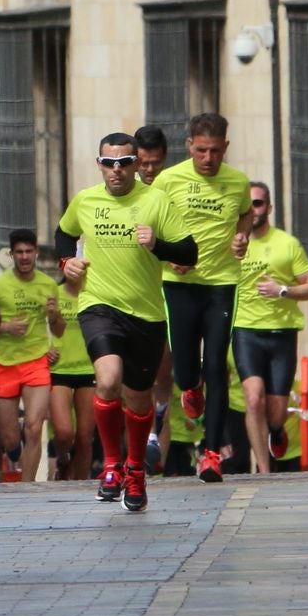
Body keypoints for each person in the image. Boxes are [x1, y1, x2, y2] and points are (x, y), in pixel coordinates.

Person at [56, 132, 196, 512]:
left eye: (124, 162)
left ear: (137, 164)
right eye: (108, 163)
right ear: (98, 164)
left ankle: (135, 468)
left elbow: (189, 251)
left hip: (146, 313)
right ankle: (112, 464)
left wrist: (158, 246)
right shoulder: (85, 200)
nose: (115, 170)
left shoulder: (155, 200)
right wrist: (65, 263)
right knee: (108, 379)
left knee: (138, 395)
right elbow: (63, 234)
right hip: (98, 304)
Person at [151, 112, 252, 483]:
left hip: (221, 283)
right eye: (201, 151)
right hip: (179, 283)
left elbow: (244, 216)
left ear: (226, 147)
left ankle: (210, 454)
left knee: (216, 366)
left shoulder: (238, 182)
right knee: (186, 370)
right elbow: (149, 223)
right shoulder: (168, 180)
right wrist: (167, 252)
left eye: (216, 151)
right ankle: (190, 390)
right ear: (188, 147)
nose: (208, 159)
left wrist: (242, 238)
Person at [230, 182, 308, 474]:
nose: (253, 209)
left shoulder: (287, 244)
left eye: (258, 204)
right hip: (245, 330)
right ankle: (265, 471)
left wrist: (282, 290)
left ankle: (277, 431)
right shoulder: (233, 243)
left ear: (268, 208)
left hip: (281, 333)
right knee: (253, 397)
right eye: (249, 204)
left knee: (276, 413)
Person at [0, 229, 63, 482]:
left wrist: (53, 315)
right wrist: (6, 327)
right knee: (10, 439)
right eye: (19, 252)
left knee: (33, 425)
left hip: (35, 361)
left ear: (37, 253)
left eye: (29, 251)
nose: (25, 256)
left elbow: (59, 328)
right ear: (11, 255)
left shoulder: (48, 284)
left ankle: (27, 486)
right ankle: (13, 449)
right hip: (3, 362)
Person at [134, 125, 173, 471]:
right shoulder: (120, 191)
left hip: (170, 289)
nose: (148, 170)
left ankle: (159, 421)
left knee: (165, 373)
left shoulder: (170, 192)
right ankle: (144, 444)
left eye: (155, 164)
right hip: (131, 292)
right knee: (136, 373)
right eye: (143, 163)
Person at [48, 274, 95, 481]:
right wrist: (44, 349)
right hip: (59, 369)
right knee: (64, 433)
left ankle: (82, 485)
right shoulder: (53, 293)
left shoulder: (94, 293)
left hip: (89, 369)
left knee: (85, 437)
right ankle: (62, 458)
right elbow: (37, 328)